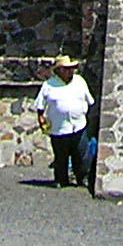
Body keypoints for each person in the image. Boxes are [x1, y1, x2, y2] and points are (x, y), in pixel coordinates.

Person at [34, 55, 95, 189]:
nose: (70, 72)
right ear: (59, 70)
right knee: (61, 156)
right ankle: (61, 179)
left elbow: (90, 100)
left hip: (78, 125)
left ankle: (82, 178)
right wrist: (41, 119)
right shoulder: (48, 86)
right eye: (67, 69)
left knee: (81, 155)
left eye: (71, 69)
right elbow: (40, 105)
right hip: (59, 128)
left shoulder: (80, 82)